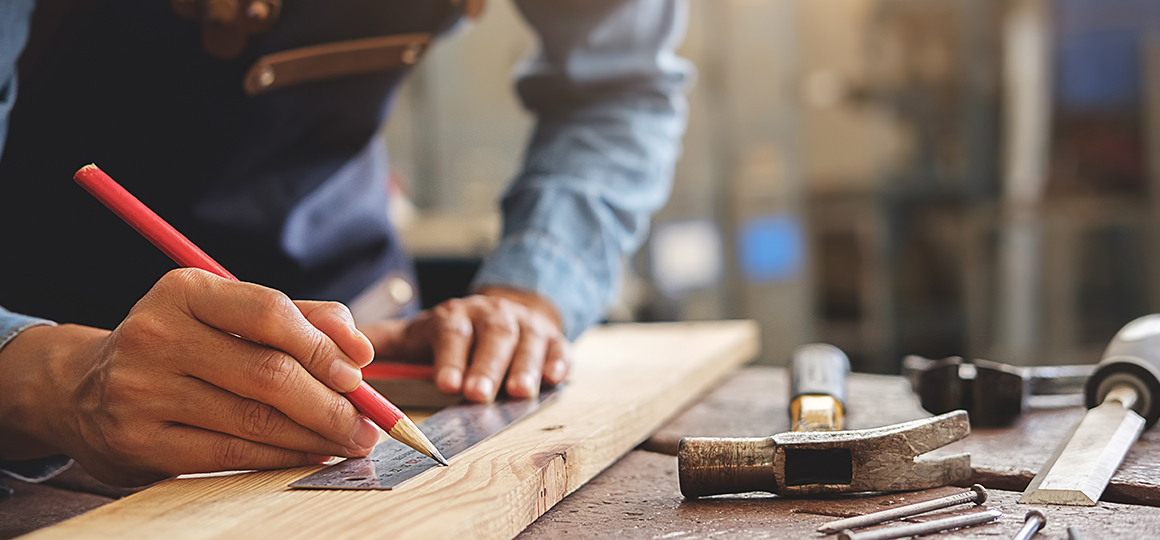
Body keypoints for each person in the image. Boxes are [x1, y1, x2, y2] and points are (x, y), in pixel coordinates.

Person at [0, 0, 689, 488]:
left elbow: (620, 88)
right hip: (48, 388)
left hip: (357, 332)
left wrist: (533, 291)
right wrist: (54, 381)